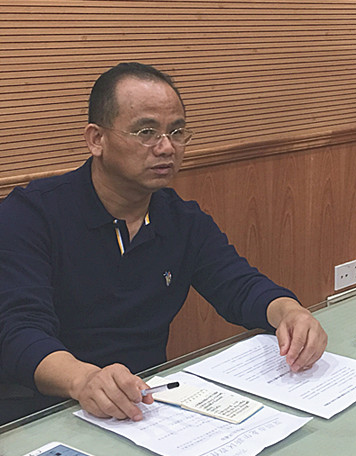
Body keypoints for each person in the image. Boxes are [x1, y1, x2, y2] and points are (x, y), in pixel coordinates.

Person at [0, 62, 327, 424]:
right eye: (146, 132)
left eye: (177, 132)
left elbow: (240, 286)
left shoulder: (182, 219)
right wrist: (84, 379)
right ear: (97, 139)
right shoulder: (30, 215)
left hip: (143, 406)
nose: (166, 147)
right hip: (43, 411)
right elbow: (19, 331)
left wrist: (290, 312)